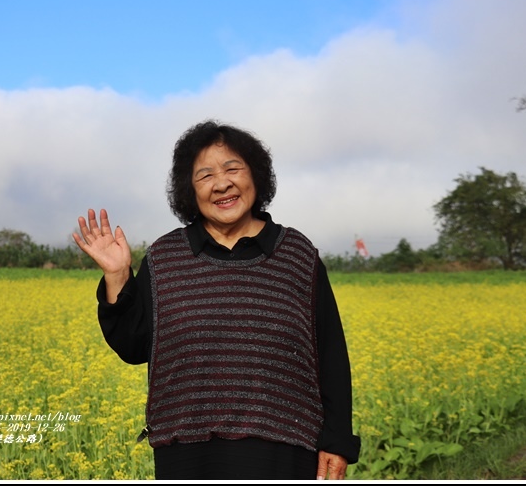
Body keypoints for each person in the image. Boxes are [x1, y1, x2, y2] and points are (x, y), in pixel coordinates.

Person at [73, 120, 360, 480]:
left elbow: (331, 353)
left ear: (256, 175)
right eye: (205, 175)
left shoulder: (297, 255)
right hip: (188, 453)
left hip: (286, 450)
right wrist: (117, 276)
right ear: (188, 191)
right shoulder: (165, 258)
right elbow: (133, 346)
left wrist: (337, 439)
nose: (222, 183)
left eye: (232, 168)